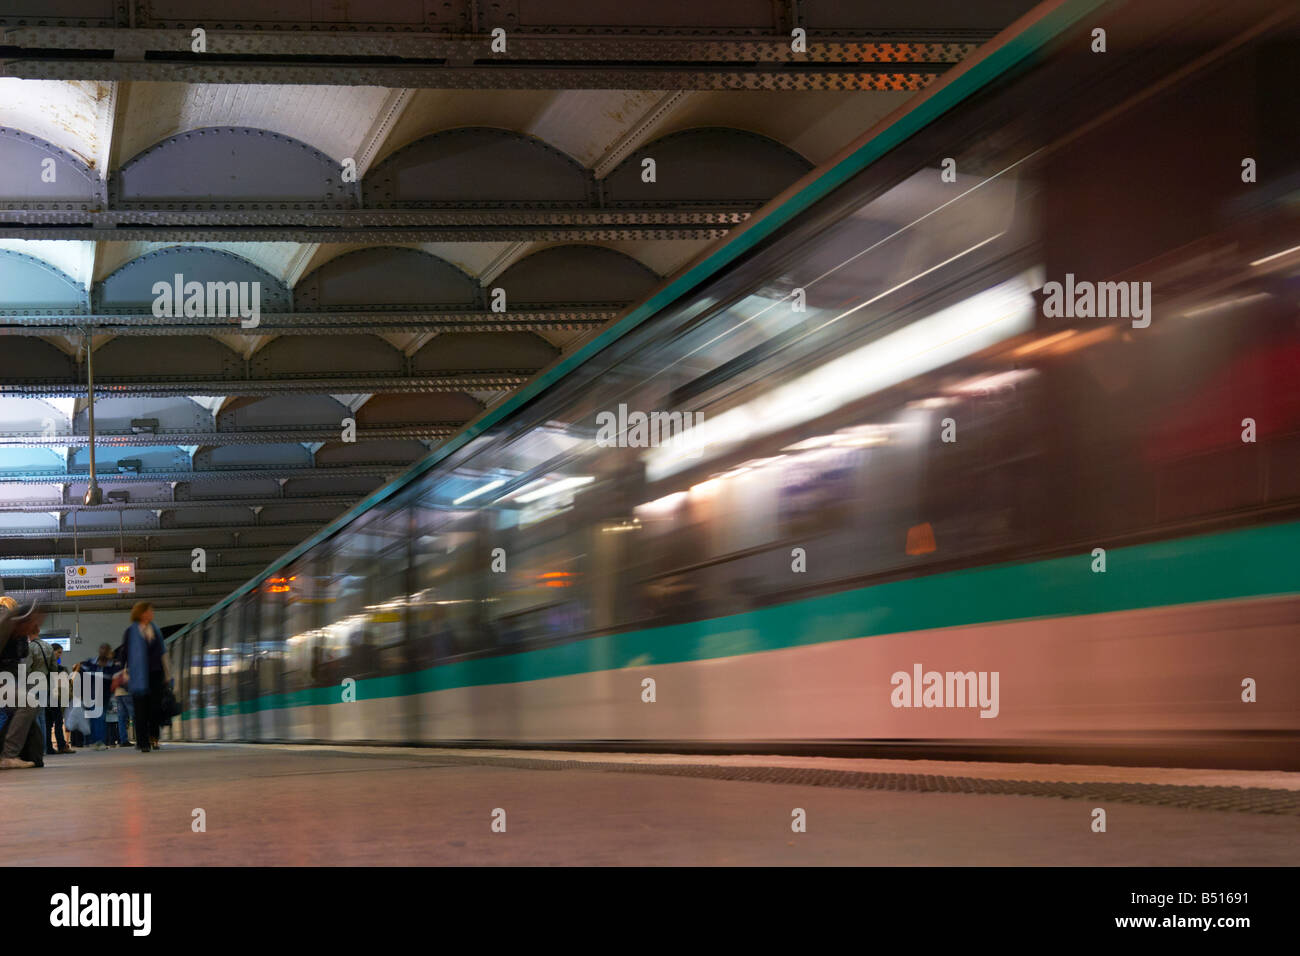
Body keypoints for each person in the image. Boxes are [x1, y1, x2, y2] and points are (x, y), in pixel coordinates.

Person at [0, 600, 46, 770]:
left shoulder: (18, 637)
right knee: (28, 703)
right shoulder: (5, 627)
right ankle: (9, 755)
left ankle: (12, 753)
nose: (34, 628)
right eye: (34, 623)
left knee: (25, 707)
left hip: (7, 679)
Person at [125, 602, 171, 753]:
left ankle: (154, 737)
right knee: (140, 710)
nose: (152, 613)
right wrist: (124, 673)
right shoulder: (130, 631)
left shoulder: (155, 629)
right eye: (149, 611)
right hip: (138, 675)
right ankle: (143, 742)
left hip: (156, 673)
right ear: (141, 613)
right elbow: (125, 653)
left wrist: (167, 673)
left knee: (155, 708)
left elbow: (162, 652)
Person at [79, 643, 120, 751]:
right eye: (102, 649)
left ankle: (99, 740)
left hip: (104, 695)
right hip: (91, 694)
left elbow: (116, 678)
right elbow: (81, 674)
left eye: (106, 650)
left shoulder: (112, 665)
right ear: (99, 651)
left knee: (100, 717)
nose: (103, 652)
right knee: (95, 718)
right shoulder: (90, 663)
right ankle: (96, 740)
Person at [47, 645, 74, 754]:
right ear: (52, 652)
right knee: (55, 721)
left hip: (53, 696)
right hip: (53, 696)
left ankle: (50, 746)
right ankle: (60, 746)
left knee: (52, 722)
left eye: (60, 652)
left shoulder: (55, 667)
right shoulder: (53, 667)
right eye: (58, 652)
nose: (59, 655)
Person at [112, 642, 134, 748]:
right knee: (135, 715)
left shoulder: (116, 663)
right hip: (127, 692)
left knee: (121, 718)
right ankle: (141, 737)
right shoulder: (128, 661)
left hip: (118, 693)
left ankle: (123, 740)